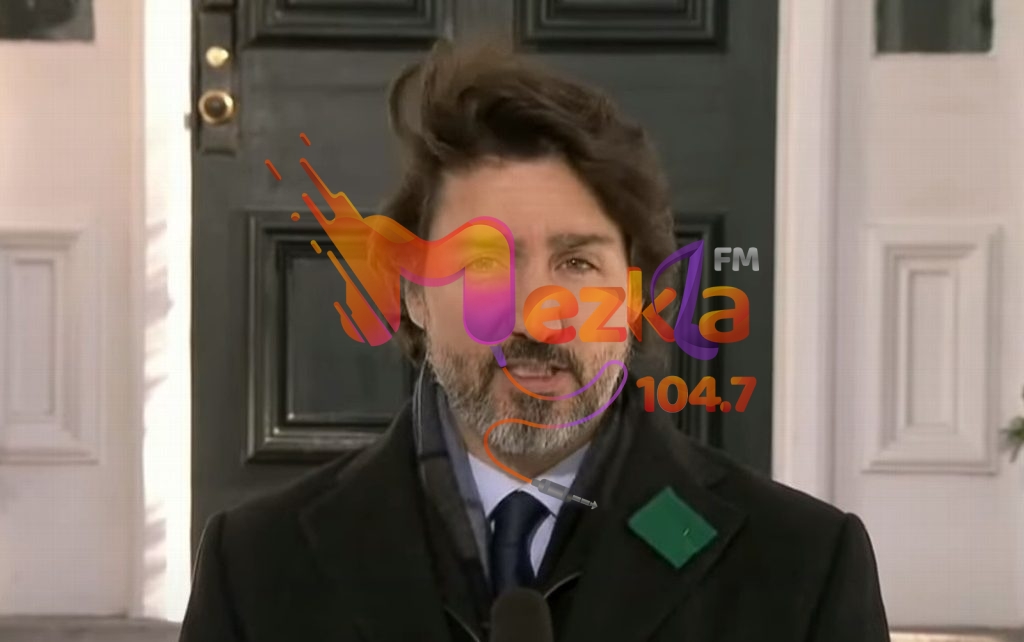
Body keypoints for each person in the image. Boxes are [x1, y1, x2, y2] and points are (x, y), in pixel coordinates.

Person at [179, 40, 890, 642]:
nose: (536, 316)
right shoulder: (255, 568)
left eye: (577, 263)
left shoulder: (802, 569)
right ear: (415, 294)